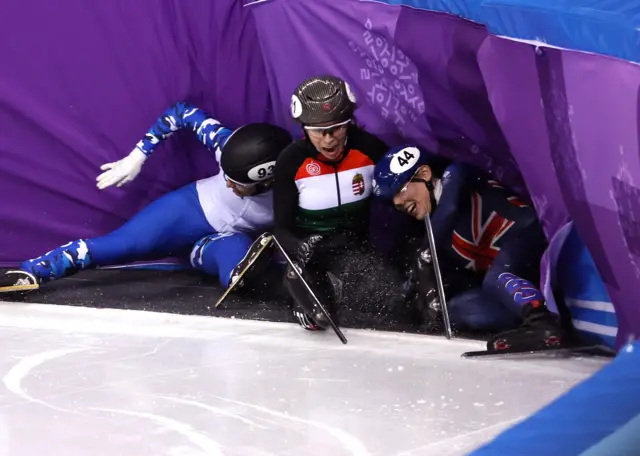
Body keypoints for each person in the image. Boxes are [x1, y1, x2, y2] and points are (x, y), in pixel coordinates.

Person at [0, 102, 292, 294]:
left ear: (268, 180)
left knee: (238, 268)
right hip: (191, 208)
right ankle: (32, 271)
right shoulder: (226, 143)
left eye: (237, 183)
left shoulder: (301, 188)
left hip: (226, 239)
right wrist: (137, 156)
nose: (229, 186)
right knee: (118, 246)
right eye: (225, 176)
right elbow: (182, 113)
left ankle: (221, 261)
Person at [372, 144, 568, 351]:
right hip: (513, 280)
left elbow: (450, 208)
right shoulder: (434, 234)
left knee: (495, 277)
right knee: (456, 310)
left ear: (425, 173)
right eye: (392, 200)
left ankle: (543, 322)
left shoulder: (456, 173)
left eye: (401, 190)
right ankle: (529, 324)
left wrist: (425, 254)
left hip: (532, 237)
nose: (399, 202)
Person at [273, 74, 404, 331]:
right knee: (319, 318)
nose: (328, 140)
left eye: (337, 128)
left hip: (358, 249)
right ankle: (298, 283)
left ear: (350, 123)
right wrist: (301, 247)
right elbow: (280, 229)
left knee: (393, 303)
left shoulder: (370, 148)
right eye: (318, 132)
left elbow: (396, 203)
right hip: (313, 253)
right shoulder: (290, 160)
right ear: (303, 129)